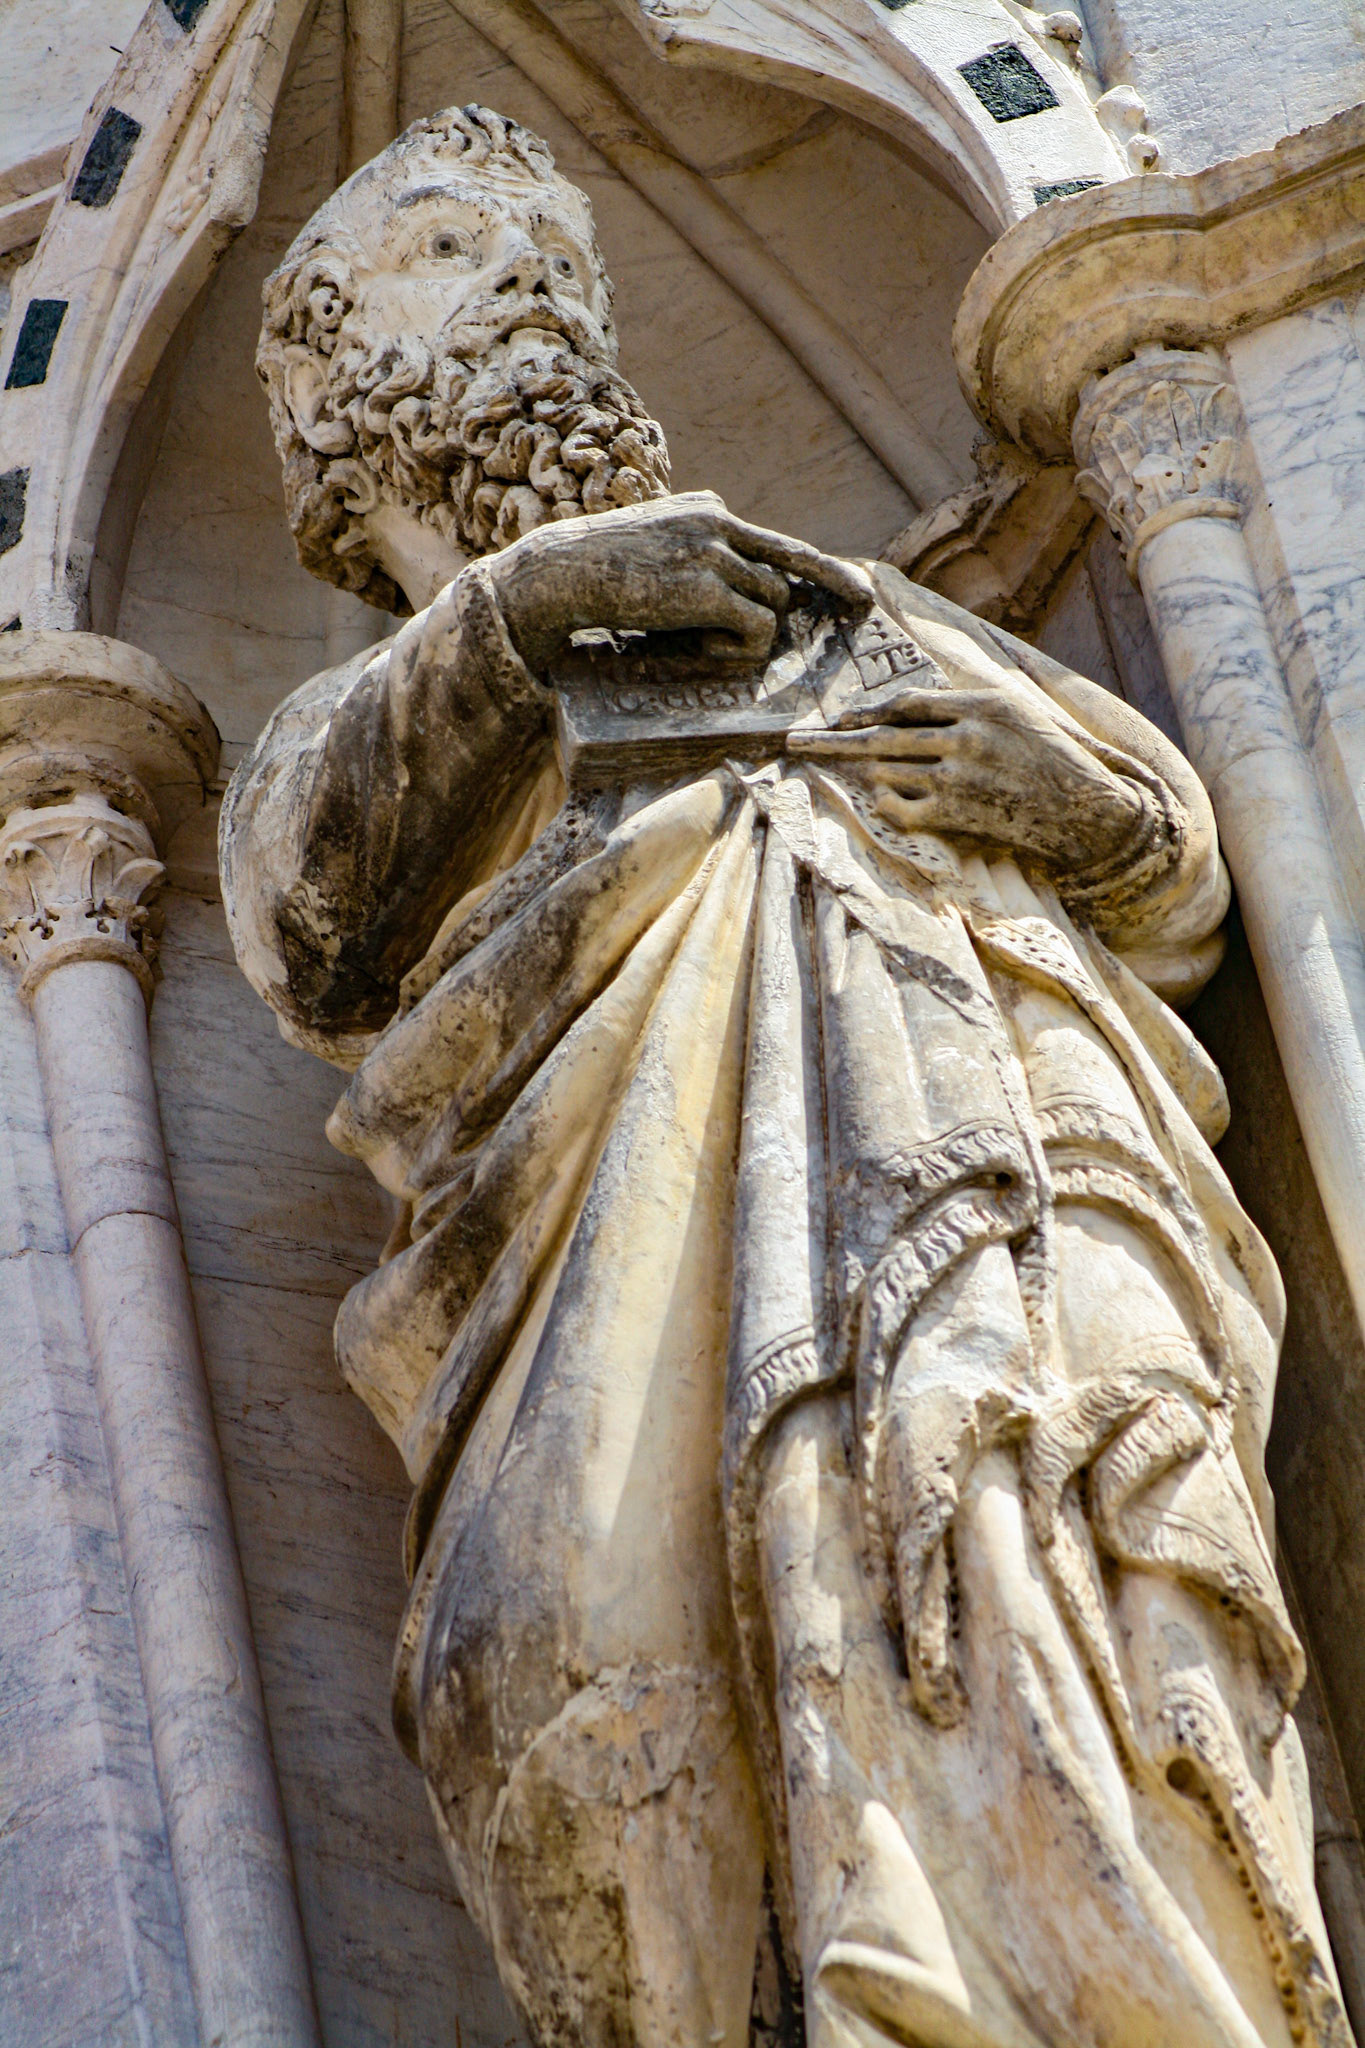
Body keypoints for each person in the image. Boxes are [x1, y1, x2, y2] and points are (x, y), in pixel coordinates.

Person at [222, 103, 1349, 2048]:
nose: (520, 276)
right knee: (582, 1645)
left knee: (1058, 1597)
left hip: (998, 1193)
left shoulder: (834, 605)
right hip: (606, 1274)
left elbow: (1163, 841)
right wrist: (512, 624)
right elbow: (308, 914)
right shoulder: (369, 723)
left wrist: (1063, 802)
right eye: (437, 251)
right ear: (331, 402)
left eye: (538, 246)